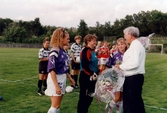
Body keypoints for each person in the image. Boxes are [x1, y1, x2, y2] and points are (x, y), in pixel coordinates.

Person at [115, 26, 146, 113]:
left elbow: (134, 63)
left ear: (130, 35)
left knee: (130, 105)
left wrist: (120, 66)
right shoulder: (136, 45)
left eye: (125, 35)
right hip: (135, 78)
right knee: (137, 103)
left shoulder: (135, 46)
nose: (124, 37)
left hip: (133, 78)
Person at [45, 28, 70, 113]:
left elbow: (64, 68)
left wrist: (70, 78)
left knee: (57, 105)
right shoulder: (54, 51)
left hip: (62, 78)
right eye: (67, 38)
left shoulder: (62, 51)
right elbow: (52, 70)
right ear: (61, 38)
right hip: (56, 79)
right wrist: (56, 86)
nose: (69, 40)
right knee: (54, 106)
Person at [105, 38, 128, 113]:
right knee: (117, 97)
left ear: (125, 44)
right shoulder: (114, 54)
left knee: (122, 98)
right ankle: (109, 110)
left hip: (126, 78)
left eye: (122, 44)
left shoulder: (128, 54)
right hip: (117, 79)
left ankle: (118, 112)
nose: (120, 46)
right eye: (119, 45)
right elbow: (108, 66)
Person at [77, 34, 99, 113]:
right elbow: (85, 65)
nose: (95, 42)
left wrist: (98, 71)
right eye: (93, 41)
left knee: (90, 97)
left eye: (95, 41)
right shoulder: (85, 50)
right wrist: (92, 73)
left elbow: (94, 64)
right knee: (84, 97)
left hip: (93, 76)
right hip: (86, 77)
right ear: (88, 41)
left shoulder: (92, 51)